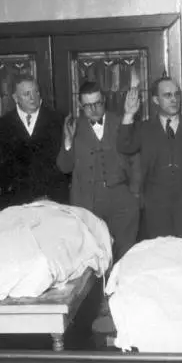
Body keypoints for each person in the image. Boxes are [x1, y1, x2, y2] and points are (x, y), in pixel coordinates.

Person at [117, 77, 182, 244]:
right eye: (167, 95)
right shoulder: (144, 128)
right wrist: (129, 114)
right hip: (156, 209)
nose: (174, 99)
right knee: (161, 255)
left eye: (176, 94)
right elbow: (124, 146)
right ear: (155, 100)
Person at [56, 81, 141, 260]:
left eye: (97, 103)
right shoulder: (73, 127)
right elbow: (64, 167)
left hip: (122, 203)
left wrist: (134, 197)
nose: (94, 109)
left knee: (125, 256)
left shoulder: (121, 122)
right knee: (96, 259)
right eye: (88, 106)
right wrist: (68, 141)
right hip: (88, 206)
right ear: (80, 105)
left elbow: (136, 163)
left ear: (104, 100)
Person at [0, 75, 68, 209]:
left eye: (36, 92)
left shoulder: (58, 120)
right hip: (16, 201)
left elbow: (66, 162)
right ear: (15, 98)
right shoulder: (1, 125)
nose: (33, 98)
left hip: (52, 200)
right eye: (27, 94)